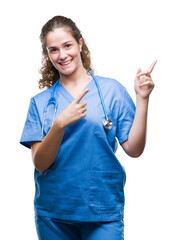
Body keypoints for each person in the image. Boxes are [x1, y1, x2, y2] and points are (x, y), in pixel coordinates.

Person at [20, 15, 157, 240]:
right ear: (47, 54)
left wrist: (142, 99)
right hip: (54, 214)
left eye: (67, 45)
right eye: (53, 49)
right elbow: (41, 163)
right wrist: (60, 124)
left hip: (103, 211)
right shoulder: (40, 102)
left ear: (80, 43)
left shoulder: (111, 91)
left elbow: (134, 149)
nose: (62, 55)